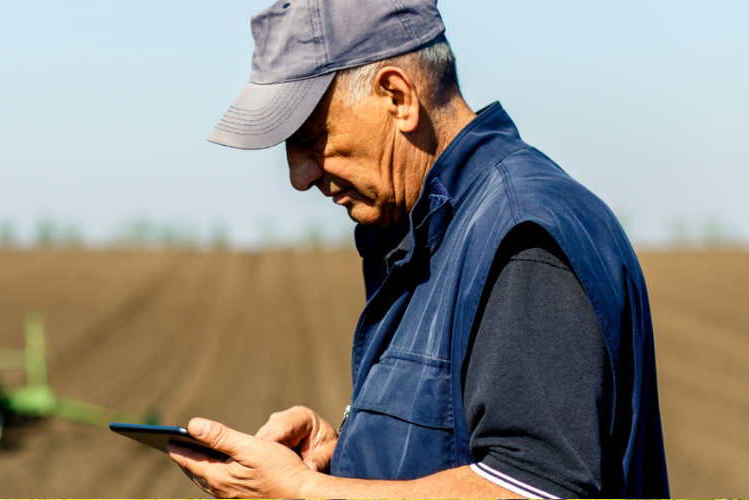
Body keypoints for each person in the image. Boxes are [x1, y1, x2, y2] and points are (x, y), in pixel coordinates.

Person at [167, 1, 669, 498]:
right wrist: (349, 452)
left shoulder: (520, 238)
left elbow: (534, 489)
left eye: (312, 137)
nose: (300, 177)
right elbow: (462, 456)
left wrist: (302, 494)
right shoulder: (436, 232)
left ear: (398, 97)